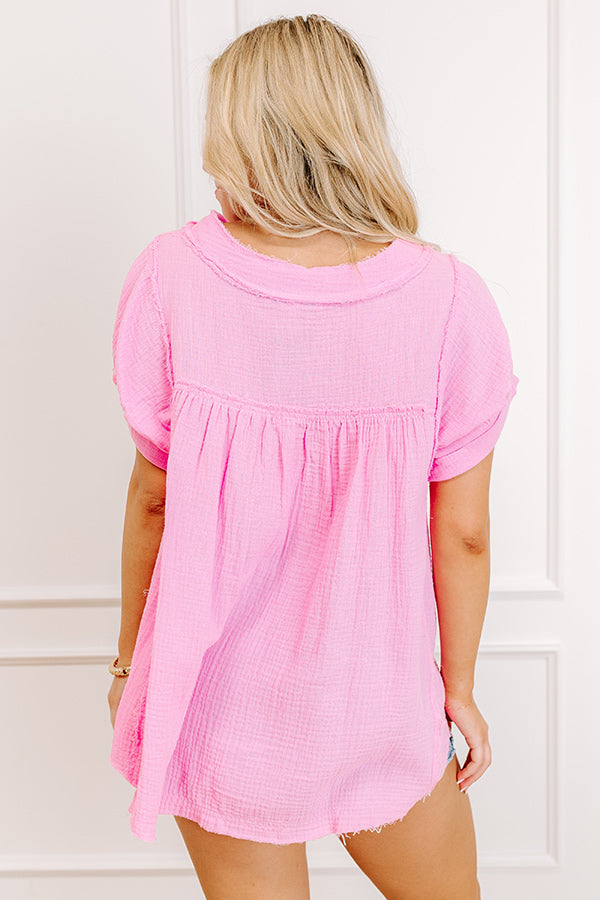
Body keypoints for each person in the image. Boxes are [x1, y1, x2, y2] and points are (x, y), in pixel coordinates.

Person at [107, 13, 518, 900]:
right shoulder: (449, 297)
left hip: (217, 704)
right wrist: (459, 688)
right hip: (381, 702)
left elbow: (153, 503)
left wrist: (128, 664)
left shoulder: (171, 276)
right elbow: (465, 533)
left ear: (236, 130)